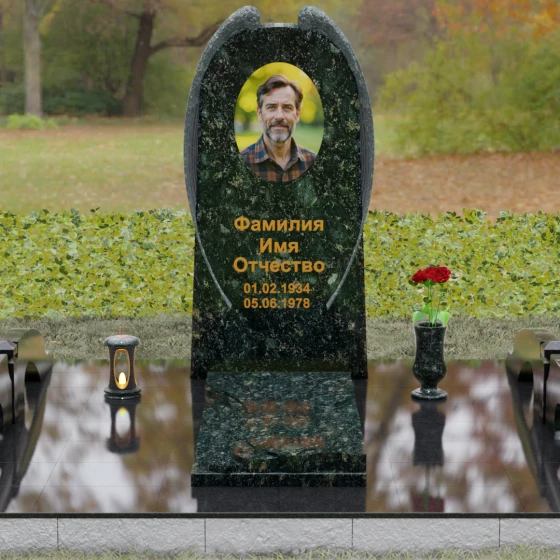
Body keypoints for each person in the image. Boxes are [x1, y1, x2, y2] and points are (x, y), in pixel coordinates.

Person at [240, 74, 316, 182]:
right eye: (271, 107)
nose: (279, 116)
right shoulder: (240, 162)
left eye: (287, 108)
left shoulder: (313, 161)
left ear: (297, 114)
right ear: (259, 113)